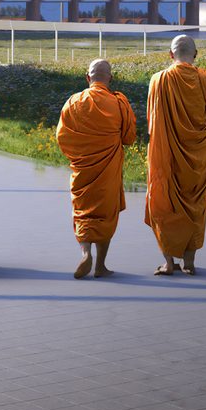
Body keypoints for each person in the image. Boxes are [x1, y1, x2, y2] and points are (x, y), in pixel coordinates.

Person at [145, 35, 206, 276]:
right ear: (196, 54)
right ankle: (189, 261)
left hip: (166, 152)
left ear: (170, 54)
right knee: (196, 203)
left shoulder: (159, 80)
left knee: (164, 201)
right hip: (199, 154)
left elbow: (151, 119)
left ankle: (169, 263)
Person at [55, 59, 136, 279]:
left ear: (87, 77)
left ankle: (85, 253)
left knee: (83, 212)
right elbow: (129, 137)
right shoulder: (119, 103)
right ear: (110, 78)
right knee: (105, 215)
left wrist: (79, 156)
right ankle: (100, 265)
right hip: (108, 170)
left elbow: (61, 137)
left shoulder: (73, 102)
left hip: (82, 169)